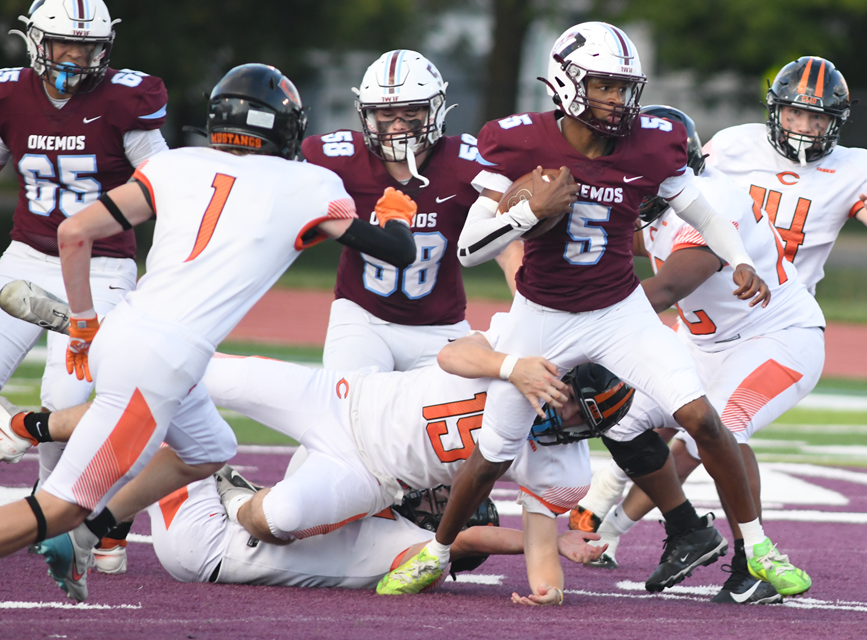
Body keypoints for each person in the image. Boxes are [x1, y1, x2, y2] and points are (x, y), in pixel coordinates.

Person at [385, 22, 809, 600]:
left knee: (704, 420)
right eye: (604, 85)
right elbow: (468, 247)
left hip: (619, 311)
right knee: (491, 456)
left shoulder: (650, 141)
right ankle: (436, 552)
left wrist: (736, 258)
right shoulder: (519, 141)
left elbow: (701, 211)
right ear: (566, 82)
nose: (616, 100)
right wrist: (529, 215)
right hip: (544, 312)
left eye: (623, 87)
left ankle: (757, 547)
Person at [0, 62, 418, 603]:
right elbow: (397, 252)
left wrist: (81, 325)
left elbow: (74, 232)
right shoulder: (310, 184)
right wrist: (397, 211)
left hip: (126, 331)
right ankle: (78, 518)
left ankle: (95, 524)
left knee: (209, 449)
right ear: (283, 128)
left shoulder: (173, 165)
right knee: (58, 506)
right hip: (162, 359)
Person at [1, 311, 630, 605]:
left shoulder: (559, 467)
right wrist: (509, 366)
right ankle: (35, 421)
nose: (564, 418)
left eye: (581, 424)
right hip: (339, 397)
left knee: (273, 518)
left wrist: (549, 587)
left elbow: (540, 553)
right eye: (572, 403)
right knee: (187, 375)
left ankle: (219, 487)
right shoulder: (519, 358)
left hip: (371, 475)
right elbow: (452, 356)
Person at [573, 106, 825, 603]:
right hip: (700, 341)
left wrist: (578, 322)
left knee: (724, 428)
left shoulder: (708, 199)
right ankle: (688, 530)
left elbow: (669, 284)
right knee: (618, 418)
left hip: (775, 336)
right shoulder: (647, 202)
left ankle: (751, 561)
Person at [0, 0, 169, 574]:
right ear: (37, 42)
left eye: (88, 46)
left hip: (103, 266)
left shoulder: (127, 98)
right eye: (65, 45)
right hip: (24, 258)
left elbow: (164, 187)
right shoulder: (9, 93)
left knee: (65, 401)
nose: (77, 58)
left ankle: (61, 518)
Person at [301, 49, 521, 375]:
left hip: (440, 328)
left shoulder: (467, 164)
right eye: (386, 114)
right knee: (351, 408)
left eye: (412, 111)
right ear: (367, 116)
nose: (398, 124)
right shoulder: (340, 157)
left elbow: (505, 245)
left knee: (448, 420)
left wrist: (530, 305)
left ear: (436, 109)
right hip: (362, 317)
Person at [148, 473, 604, 603]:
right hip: (217, 543)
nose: (433, 495)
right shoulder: (405, 533)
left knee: (171, 423)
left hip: (210, 545)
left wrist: (544, 542)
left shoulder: (424, 556)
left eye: (443, 501)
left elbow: (469, 539)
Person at [703, 56, 867, 294]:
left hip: (786, 309)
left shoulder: (855, 169)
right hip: (718, 297)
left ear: (836, 121)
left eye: (817, 116)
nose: (804, 126)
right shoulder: (731, 146)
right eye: (795, 112)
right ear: (776, 109)